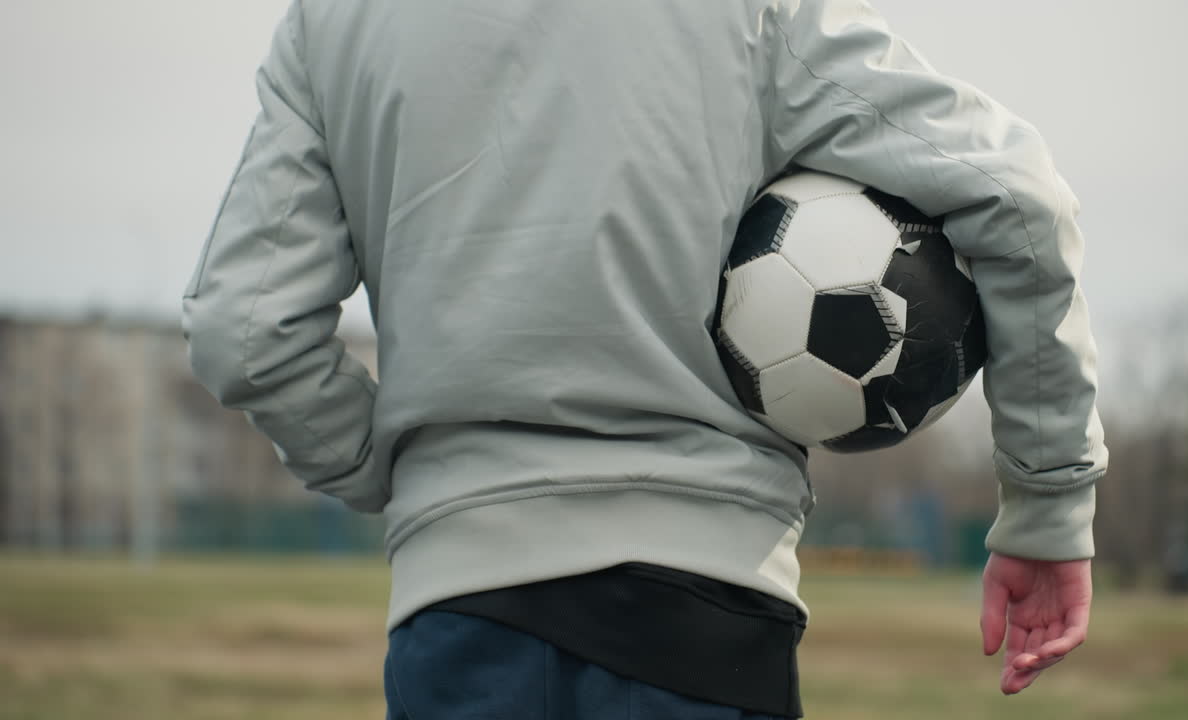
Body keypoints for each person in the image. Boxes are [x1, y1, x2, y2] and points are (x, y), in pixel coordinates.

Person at [182, 0, 1106, 717]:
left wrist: (401, 475)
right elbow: (1016, 201)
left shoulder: (334, 21)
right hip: (703, 626)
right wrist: (1047, 505)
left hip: (455, 622)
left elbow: (247, 331)